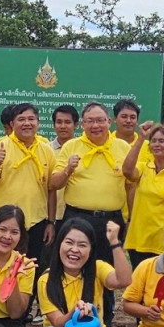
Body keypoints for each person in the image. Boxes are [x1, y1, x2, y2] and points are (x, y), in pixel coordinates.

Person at [0, 103, 58, 267]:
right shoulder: (0, 147)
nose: (27, 123)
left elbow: (51, 189)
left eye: (31, 119)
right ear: (12, 124)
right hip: (5, 225)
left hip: (36, 223)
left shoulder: (47, 150)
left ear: (38, 122)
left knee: (31, 270)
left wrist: (51, 222)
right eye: (21, 119)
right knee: (1, 269)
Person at [49, 102, 129, 247]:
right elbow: (54, 183)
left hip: (111, 221)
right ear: (82, 124)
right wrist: (68, 169)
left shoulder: (123, 147)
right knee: (75, 263)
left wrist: (131, 220)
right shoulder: (71, 146)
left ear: (109, 122)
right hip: (77, 218)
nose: (95, 126)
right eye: (90, 121)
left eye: (100, 120)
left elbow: (131, 186)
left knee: (109, 266)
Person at [121, 123, 164, 268]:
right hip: (139, 239)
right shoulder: (143, 167)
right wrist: (141, 138)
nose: (156, 144)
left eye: (161, 141)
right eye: (153, 141)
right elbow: (127, 171)